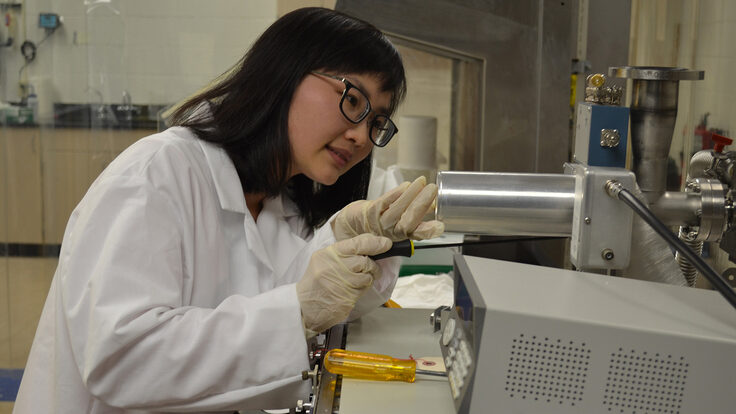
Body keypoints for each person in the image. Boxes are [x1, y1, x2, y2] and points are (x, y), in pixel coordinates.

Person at [13, 7, 444, 413]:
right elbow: (120, 356)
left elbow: (302, 307)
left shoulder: (279, 201)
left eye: (376, 123)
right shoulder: (156, 176)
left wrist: (362, 247)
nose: (361, 137)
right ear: (284, 75)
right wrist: (295, 312)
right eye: (353, 101)